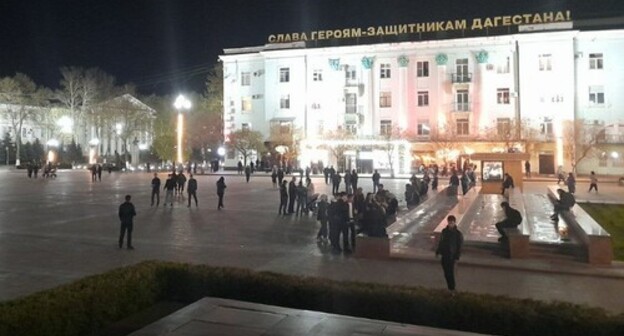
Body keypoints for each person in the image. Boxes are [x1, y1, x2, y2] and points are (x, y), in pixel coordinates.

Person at [435, 215, 463, 293]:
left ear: (454, 223)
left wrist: (457, 257)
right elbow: (441, 242)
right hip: (445, 255)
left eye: (452, 223)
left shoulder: (458, 234)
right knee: (446, 272)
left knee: (450, 273)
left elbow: (459, 246)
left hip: (452, 256)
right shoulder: (444, 231)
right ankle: (450, 287)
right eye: (449, 222)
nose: (450, 224)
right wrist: (438, 251)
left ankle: (452, 288)